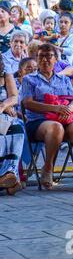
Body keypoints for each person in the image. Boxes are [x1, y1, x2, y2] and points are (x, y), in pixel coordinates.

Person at [21, 43, 73, 191]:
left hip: (64, 119)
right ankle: (48, 168)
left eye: (49, 56)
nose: (45, 60)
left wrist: (69, 109)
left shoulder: (64, 79)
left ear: (56, 59)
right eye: (41, 56)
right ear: (37, 59)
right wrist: (55, 108)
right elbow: (27, 103)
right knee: (56, 127)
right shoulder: (29, 79)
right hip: (38, 121)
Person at [0, 54, 24, 195]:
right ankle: (10, 179)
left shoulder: (6, 75)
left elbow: (15, 96)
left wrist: (4, 105)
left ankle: (9, 172)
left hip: (4, 115)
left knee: (17, 128)